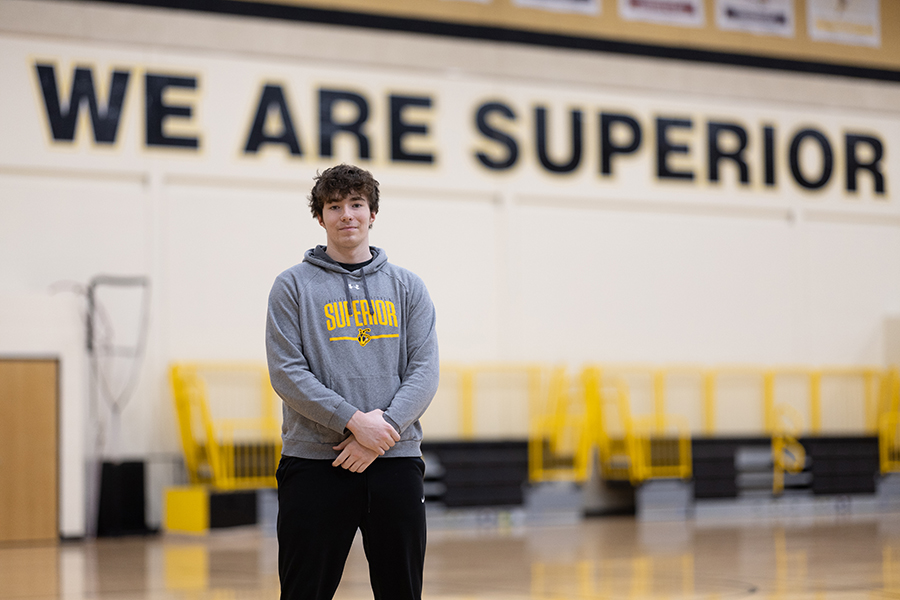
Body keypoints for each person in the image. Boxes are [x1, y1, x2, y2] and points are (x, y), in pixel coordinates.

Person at [265, 164, 440, 600]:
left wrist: (379, 433)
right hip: (315, 463)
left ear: (373, 213)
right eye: (335, 206)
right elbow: (287, 373)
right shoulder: (292, 287)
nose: (347, 215)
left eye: (357, 204)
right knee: (304, 591)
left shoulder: (407, 287)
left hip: (395, 460)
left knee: (402, 591)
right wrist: (353, 422)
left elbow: (425, 370)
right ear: (320, 217)